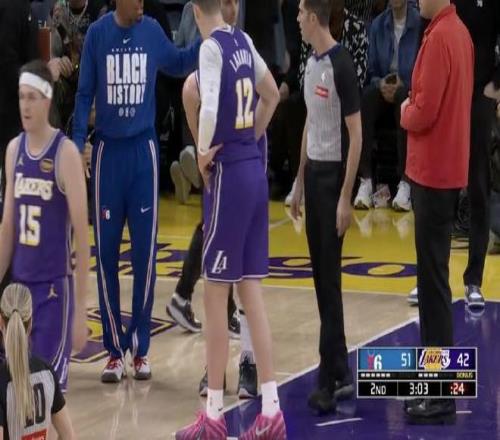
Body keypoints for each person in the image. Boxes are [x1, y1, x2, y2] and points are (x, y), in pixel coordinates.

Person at [72, 0, 199, 382]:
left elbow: (179, 62)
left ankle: (140, 349)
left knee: (145, 256)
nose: (142, 2)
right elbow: (83, 94)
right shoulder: (98, 36)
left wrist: (210, 36)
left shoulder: (152, 31)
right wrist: (77, 146)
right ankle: (114, 351)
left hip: (143, 153)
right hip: (108, 154)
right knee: (106, 257)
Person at [175, 0, 285, 438]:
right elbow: (271, 94)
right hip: (254, 171)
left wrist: (203, 152)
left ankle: (215, 415)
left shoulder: (211, 47)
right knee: (251, 294)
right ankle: (271, 409)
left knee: (214, 296)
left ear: (194, 11)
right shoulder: (244, 40)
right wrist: (250, 137)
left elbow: (206, 108)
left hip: (229, 179)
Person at [167, 0, 259, 401]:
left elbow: (270, 94)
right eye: (225, 2)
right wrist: (204, 152)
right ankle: (221, 370)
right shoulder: (218, 51)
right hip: (228, 169)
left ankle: (247, 366)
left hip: (241, 161)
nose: (231, 6)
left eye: (235, 2)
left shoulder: (240, 44)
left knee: (240, 281)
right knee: (224, 278)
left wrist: (250, 140)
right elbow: (191, 92)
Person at [400, 0, 473, 424]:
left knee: (433, 288)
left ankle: (440, 393)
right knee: (433, 283)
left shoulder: (441, 36)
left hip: (433, 173)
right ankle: (433, 385)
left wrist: (404, 110)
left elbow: (423, 111)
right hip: (446, 171)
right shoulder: (458, 33)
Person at [0, 60, 89, 392]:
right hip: (18, 293)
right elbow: (8, 228)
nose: (25, 105)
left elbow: (83, 236)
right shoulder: (14, 150)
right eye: (21, 97)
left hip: (53, 292)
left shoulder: (65, 153)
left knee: (47, 397)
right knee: (18, 398)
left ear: (47, 100)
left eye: (32, 97)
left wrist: (81, 310)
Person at [291, 0, 362, 415]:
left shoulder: (342, 64)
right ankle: (341, 367)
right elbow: (309, 123)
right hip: (314, 175)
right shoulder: (310, 63)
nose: (297, 19)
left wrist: (345, 196)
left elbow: (356, 134)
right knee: (320, 280)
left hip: (334, 178)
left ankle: (327, 380)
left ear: (314, 18)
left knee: (330, 281)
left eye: (301, 13)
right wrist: (299, 181)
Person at [354, 0, 420, 211]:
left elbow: (421, 70)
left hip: (407, 91)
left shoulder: (420, 24)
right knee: (366, 96)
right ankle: (365, 180)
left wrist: (404, 85)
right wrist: (380, 83)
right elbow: (371, 70)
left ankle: (405, 183)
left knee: (402, 97)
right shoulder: (377, 25)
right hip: (383, 86)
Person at [0, 284, 76, 439]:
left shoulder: (1, 380)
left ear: (1, 322)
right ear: (31, 322)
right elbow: (69, 436)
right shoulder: (47, 372)